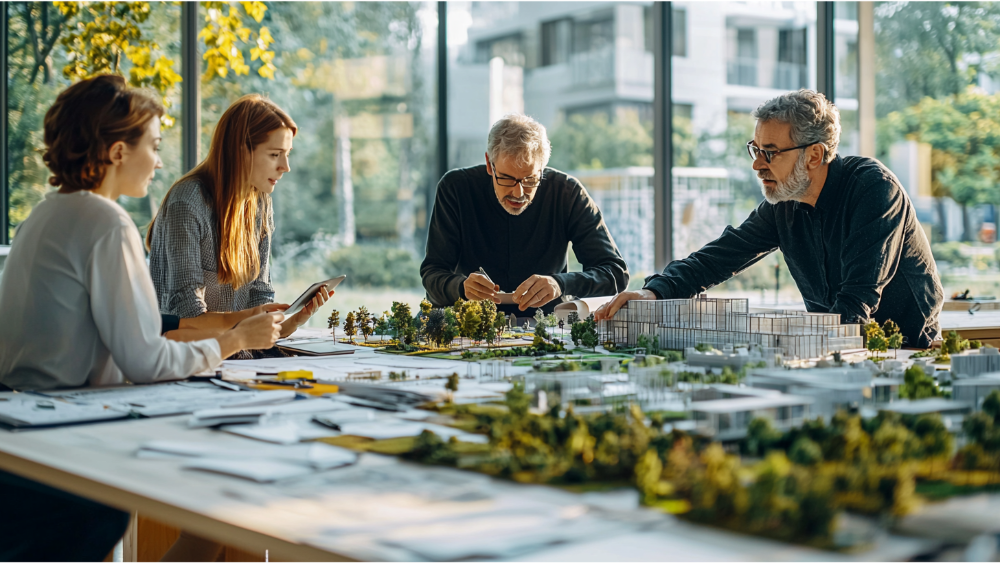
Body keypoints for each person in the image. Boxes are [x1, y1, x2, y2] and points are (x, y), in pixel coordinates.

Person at [0, 75, 284, 562]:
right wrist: (232, 341)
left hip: (21, 429)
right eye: (151, 145)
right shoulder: (107, 223)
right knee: (221, 487)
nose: (157, 161)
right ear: (116, 152)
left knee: (214, 515)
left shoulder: (44, 215)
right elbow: (144, 360)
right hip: (63, 442)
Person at [596, 89, 944, 348]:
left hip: (906, 351)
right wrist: (653, 292)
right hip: (834, 347)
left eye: (770, 153)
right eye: (755, 149)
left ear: (814, 155)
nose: (757, 164)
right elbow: (719, 256)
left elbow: (856, 303)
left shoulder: (873, 189)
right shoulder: (785, 205)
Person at [146, 94, 328, 351]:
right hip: (195, 364)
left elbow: (260, 301)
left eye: (287, 154)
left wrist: (294, 320)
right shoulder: (187, 203)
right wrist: (249, 320)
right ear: (240, 151)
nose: (285, 166)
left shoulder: (260, 203)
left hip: (243, 364)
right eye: (275, 154)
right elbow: (185, 319)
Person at [421, 113, 629, 319]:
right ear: (489, 164)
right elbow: (433, 273)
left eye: (530, 179)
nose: (519, 193)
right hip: (469, 324)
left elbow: (615, 273)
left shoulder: (567, 192)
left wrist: (560, 284)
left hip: (546, 327)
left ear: (542, 168)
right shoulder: (456, 188)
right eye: (507, 178)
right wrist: (460, 287)